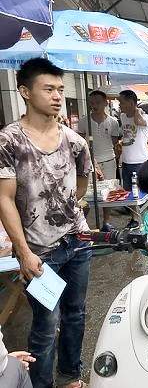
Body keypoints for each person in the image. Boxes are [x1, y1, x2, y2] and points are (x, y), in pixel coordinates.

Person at [0, 57, 93, 388]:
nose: (57, 95)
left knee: (76, 314)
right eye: (48, 88)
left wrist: (71, 207)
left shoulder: (74, 140)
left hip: (77, 242)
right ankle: (41, 384)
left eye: (60, 89)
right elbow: (4, 198)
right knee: (46, 321)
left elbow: (81, 183)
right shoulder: (9, 140)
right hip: (39, 252)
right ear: (24, 92)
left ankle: (70, 375)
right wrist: (23, 251)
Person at [78, 90, 120, 231]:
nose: (94, 105)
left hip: (109, 161)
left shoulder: (113, 122)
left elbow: (114, 141)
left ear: (105, 103)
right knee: (88, 193)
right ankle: (84, 224)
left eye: (97, 102)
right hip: (90, 162)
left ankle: (106, 221)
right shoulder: (84, 121)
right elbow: (81, 141)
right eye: (92, 102)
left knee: (109, 192)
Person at [118, 89, 148, 228]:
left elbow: (138, 122)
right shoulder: (122, 116)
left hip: (140, 161)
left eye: (122, 102)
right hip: (126, 160)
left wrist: (137, 111)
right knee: (129, 192)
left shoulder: (146, 117)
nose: (119, 105)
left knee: (142, 191)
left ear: (131, 103)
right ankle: (135, 218)